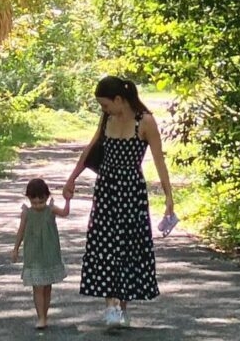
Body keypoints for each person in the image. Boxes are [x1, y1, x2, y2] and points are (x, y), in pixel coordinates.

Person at [63, 76, 175, 331]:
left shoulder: (144, 121)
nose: (104, 110)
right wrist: (71, 179)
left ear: (119, 99)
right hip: (106, 192)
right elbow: (90, 151)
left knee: (127, 248)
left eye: (106, 105)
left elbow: (159, 161)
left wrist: (169, 197)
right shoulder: (107, 120)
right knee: (104, 247)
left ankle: (122, 309)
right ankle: (111, 307)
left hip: (131, 194)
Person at [11, 177, 71, 331]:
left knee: (47, 287)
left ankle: (45, 314)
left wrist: (68, 200)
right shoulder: (27, 213)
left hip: (49, 253)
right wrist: (16, 248)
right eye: (34, 202)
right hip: (33, 254)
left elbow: (65, 213)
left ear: (47, 197)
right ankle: (41, 317)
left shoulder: (50, 209)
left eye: (41, 202)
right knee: (37, 286)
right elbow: (21, 231)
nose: (38, 206)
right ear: (29, 199)